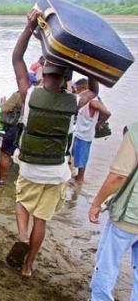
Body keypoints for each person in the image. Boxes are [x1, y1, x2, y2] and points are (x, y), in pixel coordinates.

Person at [6, 9, 99, 278]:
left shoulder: (29, 94)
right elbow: (93, 90)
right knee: (42, 220)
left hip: (30, 168)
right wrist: (87, 64)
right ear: (68, 80)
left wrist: (29, 27)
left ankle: (21, 235)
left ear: (44, 73)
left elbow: (17, 59)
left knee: (22, 202)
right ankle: (28, 266)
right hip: (57, 172)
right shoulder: (74, 102)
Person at [88, 122, 138, 300]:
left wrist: (96, 203)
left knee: (108, 262)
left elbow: (118, 177)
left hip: (130, 215)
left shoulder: (135, 132)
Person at [72, 78, 111, 185]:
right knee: (77, 155)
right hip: (80, 132)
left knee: (82, 159)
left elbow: (107, 113)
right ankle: (78, 177)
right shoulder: (87, 101)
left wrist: (99, 123)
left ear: (85, 88)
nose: (77, 92)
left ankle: (80, 180)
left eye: (78, 89)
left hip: (85, 135)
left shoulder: (93, 102)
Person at [0, 91, 23, 186]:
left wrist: (2, 103)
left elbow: (4, 109)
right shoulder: (38, 93)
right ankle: (23, 182)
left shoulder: (19, 94)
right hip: (30, 130)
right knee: (27, 157)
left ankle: (0, 180)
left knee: (5, 155)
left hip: (14, 128)